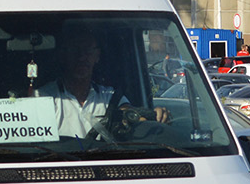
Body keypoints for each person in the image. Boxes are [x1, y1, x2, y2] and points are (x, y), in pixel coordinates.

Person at [38, 27, 169, 138]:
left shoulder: (109, 96)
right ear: (63, 56)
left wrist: (154, 116)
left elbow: (130, 114)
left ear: (97, 56)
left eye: (88, 51)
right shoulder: (45, 97)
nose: (82, 57)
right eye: (75, 50)